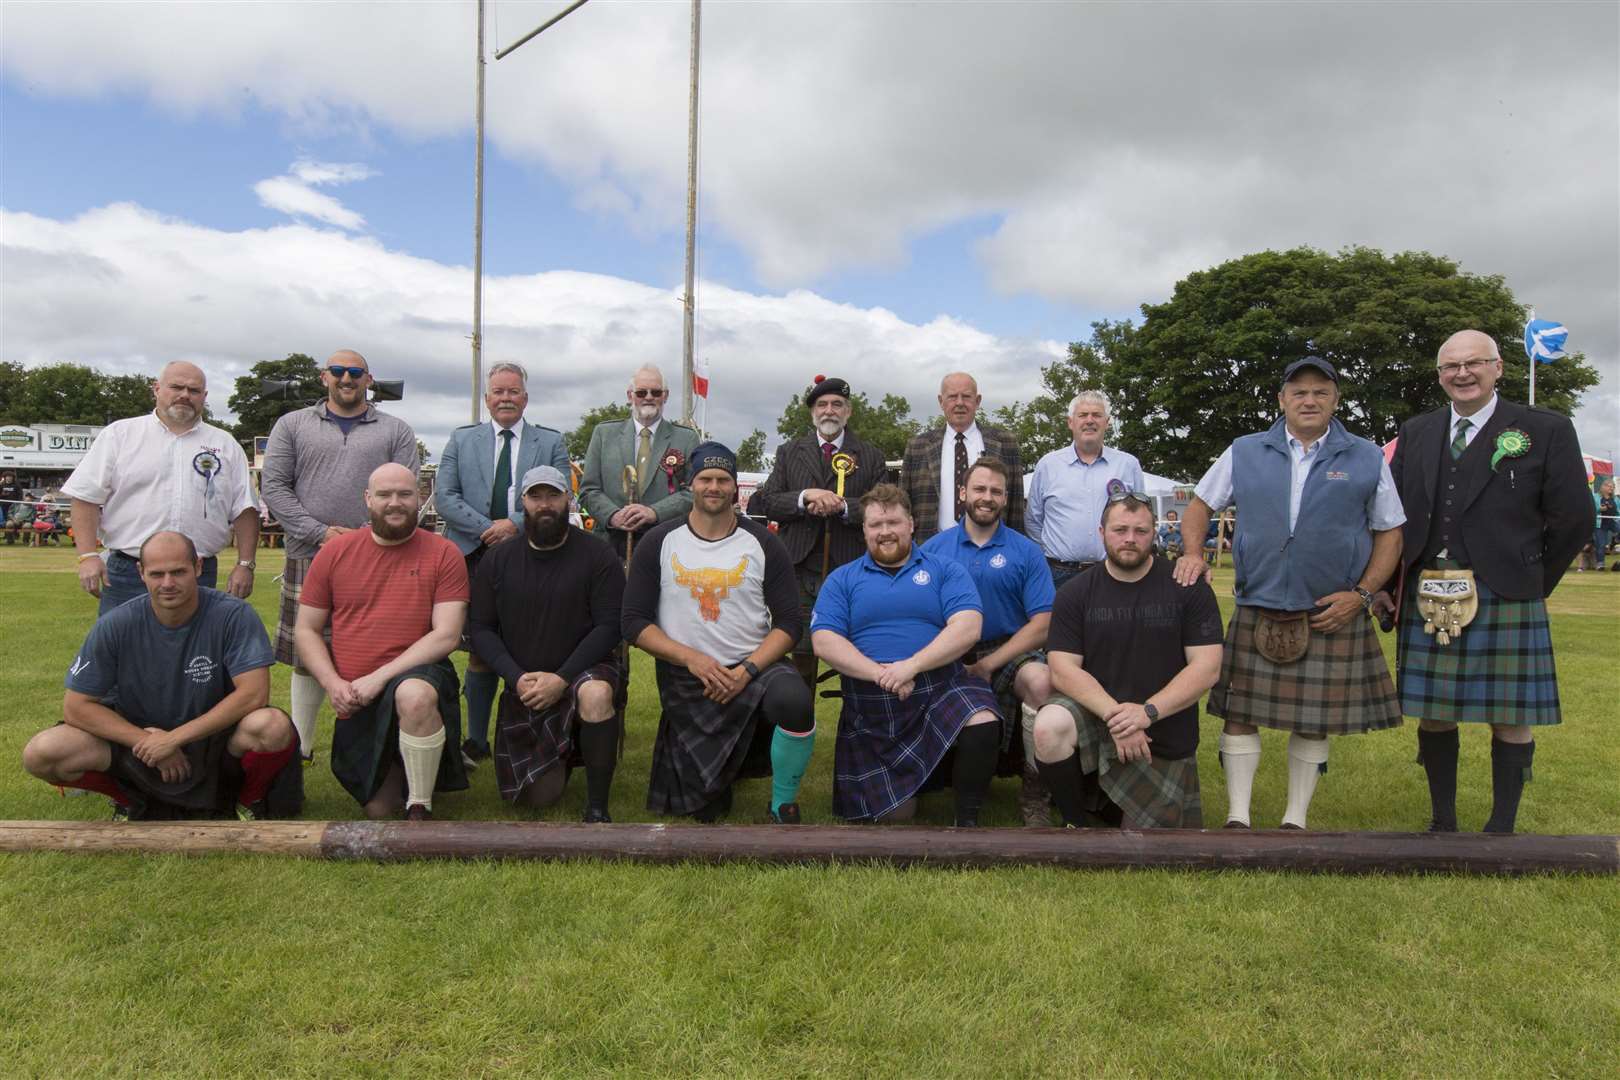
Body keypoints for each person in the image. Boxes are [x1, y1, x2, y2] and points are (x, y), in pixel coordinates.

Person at [1175, 357, 1403, 830]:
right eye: (1298, 391)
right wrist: (1194, 552)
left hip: (1330, 610)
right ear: (1281, 399)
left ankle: (1295, 819)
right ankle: (1237, 816)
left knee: (1313, 719)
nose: (1309, 400)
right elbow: (1200, 505)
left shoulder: (1365, 456)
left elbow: (1390, 531)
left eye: (1321, 392)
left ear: (1336, 400)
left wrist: (1361, 595)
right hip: (1258, 603)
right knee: (1239, 713)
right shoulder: (1244, 450)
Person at [1382, 329, 1593, 834]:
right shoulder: (1418, 431)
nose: (1462, 373)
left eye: (1474, 363)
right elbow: (1396, 515)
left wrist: (1534, 578)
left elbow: (1574, 518)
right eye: (1451, 366)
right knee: (1433, 711)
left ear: (1498, 368)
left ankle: (1501, 827)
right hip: (1427, 587)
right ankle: (1443, 821)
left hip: (1506, 590)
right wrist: (1391, 585)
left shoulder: (1545, 428)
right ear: (1440, 376)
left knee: (1509, 713)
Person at [21, 530, 301, 821]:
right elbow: (76, 707)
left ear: (199, 567)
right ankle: (127, 801)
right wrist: (144, 740)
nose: (167, 583)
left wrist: (174, 739)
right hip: (140, 747)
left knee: (271, 726)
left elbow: (254, 694)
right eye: (157, 574)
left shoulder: (234, 615)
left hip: (215, 742)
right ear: (141, 573)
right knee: (42, 752)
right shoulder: (115, 624)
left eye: (178, 572)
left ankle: (246, 801)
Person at [622, 442, 815, 823]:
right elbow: (633, 622)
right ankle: (731, 767)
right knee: (707, 811)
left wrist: (747, 670)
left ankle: (783, 803)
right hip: (688, 676)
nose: (714, 487)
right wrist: (692, 659)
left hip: (753, 667)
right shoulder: (659, 541)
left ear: (734, 486)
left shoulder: (763, 543)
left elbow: (790, 623)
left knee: (794, 700)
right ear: (691, 484)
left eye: (723, 479)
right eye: (705, 478)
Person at [811, 483, 1002, 826]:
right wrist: (882, 674)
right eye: (875, 525)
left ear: (911, 524)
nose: (885, 532)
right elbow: (824, 640)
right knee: (895, 817)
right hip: (873, 700)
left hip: (939, 684)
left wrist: (910, 667)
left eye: (894, 523)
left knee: (982, 719)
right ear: (864, 530)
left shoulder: (946, 570)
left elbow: (968, 626)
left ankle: (967, 820)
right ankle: (921, 784)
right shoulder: (842, 579)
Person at [260, 349, 418, 764]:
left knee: (381, 645)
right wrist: (320, 534)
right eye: (338, 372)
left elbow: (404, 489)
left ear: (368, 378)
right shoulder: (291, 425)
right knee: (306, 653)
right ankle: (302, 747)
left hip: (379, 555)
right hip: (309, 552)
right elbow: (274, 488)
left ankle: (382, 740)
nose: (346, 379)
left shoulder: (395, 428)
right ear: (323, 377)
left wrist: (366, 539)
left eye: (355, 372)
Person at [1033, 494, 1223, 828]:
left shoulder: (1187, 588)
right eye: (1120, 530)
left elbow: (1207, 667)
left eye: (1141, 531)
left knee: (1145, 838)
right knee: (1050, 726)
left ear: (1155, 533)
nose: (1130, 539)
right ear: (1101, 531)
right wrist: (1117, 717)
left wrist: (1146, 712)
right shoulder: (1075, 593)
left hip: (1162, 723)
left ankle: (1106, 805)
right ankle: (1076, 823)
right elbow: (1062, 670)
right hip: (1098, 714)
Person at [294, 463, 468, 820]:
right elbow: (306, 630)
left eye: (405, 494)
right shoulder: (334, 552)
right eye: (385, 494)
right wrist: (333, 684)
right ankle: (410, 764)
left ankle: (420, 804)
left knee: (413, 695)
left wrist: (379, 678)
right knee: (378, 810)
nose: (395, 503)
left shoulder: (444, 553)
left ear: (419, 497)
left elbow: (447, 634)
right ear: (367, 499)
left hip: (417, 678)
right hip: (356, 696)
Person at [468, 465, 625, 820]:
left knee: (595, 694)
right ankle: (565, 750)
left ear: (568, 499)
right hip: (524, 678)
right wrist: (514, 677)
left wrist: (563, 678)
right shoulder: (498, 559)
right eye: (536, 496)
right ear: (522, 501)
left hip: (584, 668)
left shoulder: (598, 555)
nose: (545, 505)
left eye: (553, 495)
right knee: (539, 798)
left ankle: (597, 808)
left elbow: (609, 626)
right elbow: (481, 628)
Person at [436, 362, 570, 768]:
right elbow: (444, 495)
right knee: (478, 648)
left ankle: (531, 733)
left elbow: (564, 493)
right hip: (471, 555)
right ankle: (475, 741)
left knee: (527, 646)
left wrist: (512, 524)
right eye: (498, 391)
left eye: (514, 392)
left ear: (525, 398)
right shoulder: (461, 440)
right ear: (487, 398)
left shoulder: (550, 442)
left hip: (530, 554)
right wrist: (486, 529)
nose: (506, 398)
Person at [920, 458, 1057, 826]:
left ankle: (1035, 788)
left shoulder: (1026, 551)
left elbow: (1042, 622)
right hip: (949, 651)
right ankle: (921, 776)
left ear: (1006, 498)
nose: (987, 497)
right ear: (963, 493)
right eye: (979, 489)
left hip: (1011, 649)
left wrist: (988, 665)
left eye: (996, 491)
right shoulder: (933, 549)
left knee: (1042, 681)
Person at [63, 361, 259, 617]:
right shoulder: (120, 434)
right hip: (128, 572)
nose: (185, 395)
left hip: (197, 573)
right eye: (176, 387)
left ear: (205, 396)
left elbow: (245, 509)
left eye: (194, 390)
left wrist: (245, 564)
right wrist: (88, 555)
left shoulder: (225, 444)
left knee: (192, 653)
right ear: (156, 389)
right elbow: (85, 497)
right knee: (123, 653)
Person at [753, 375, 888, 689]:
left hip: (851, 568)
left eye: (837, 405)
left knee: (857, 656)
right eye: (822, 405)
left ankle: (856, 732)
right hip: (798, 568)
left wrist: (841, 507)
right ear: (813, 412)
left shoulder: (870, 456)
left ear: (848, 412)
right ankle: (798, 728)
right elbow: (770, 501)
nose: (830, 411)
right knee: (799, 657)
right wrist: (806, 498)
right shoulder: (789, 451)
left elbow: (882, 507)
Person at [1026, 390, 1145, 588]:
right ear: (1070, 422)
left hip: (1114, 572)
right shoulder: (1047, 465)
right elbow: (1033, 520)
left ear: (1107, 423)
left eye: (1097, 415)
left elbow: (1142, 517)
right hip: (1058, 575)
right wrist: (1052, 552)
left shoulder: (1128, 465)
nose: (1090, 420)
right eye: (1083, 415)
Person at [579, 364, 701, 558]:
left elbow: (694, 493)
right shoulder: (603, 434)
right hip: (610, 548)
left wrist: (654, 512)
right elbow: (588, 490)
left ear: (666, 395)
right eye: (642, 392)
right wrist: (613, 516)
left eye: (656, 392)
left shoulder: (687, 439)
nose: (649, 397)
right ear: (630, 395)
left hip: (667, 548)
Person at [900, 371, 1025, 542]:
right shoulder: (917, 447)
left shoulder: (1006, 443)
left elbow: (1016, 507)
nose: (959, 403)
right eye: (952, 396)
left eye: (966, 396)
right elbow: (904, 506)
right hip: (932, 552)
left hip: (993, 550)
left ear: (978, 401)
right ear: (940, 401)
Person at [1593, 478, 1618, 571]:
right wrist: (1600, 509)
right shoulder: (1595, 497)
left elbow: (1618, 511)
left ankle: (1615, 540)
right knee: (1601, 544)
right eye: (1609, 486)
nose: (1611, 488)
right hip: (1600, 523)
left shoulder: (1615, 498)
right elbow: (1591, 509)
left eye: (1613, 486)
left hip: (1612, 521)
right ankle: (1600, 564)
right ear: (1603, 487)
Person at [1, 472, 25, 544]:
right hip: (4, 506)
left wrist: (19, 503)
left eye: (10, 476)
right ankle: (7, 535)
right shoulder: (2, 485)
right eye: (7, 476)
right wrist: (2, 495)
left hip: (14, 506)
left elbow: (20, 495)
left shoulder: (16, 485)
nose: (9, 478)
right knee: (6, 521)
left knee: (15, 520)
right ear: (5, 477)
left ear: (13, 477)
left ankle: (16, 534)